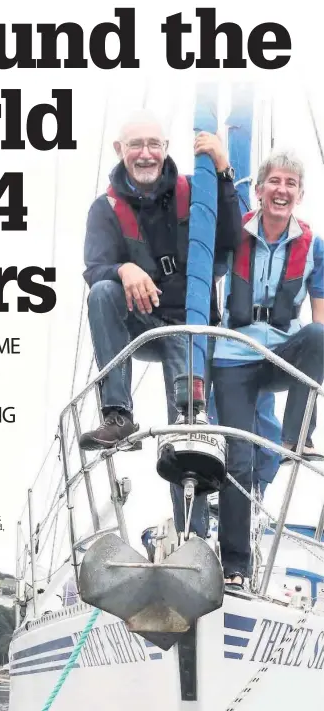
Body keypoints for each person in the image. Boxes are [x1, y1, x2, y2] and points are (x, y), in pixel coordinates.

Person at [78, 110, 242, 538]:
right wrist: (123, 270)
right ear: (120, 151)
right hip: (140, 320)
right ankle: (118, 414)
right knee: (103, 291)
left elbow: (231, 241)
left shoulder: (197, 190)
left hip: (188, 324)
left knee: (188, 431)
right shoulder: (106, 208)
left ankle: (194, 536)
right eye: (136, 145)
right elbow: (95, 268)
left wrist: (224, 172)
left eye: (154, 144)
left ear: (166, 148)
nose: (146, 153)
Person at [212, 150, 324, 589]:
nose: (282, 190)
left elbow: (318, 311)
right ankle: (235, 566)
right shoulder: (232, 233)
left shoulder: (313, 245)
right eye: (274, 181)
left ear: (299, 194)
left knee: (318, 336)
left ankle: (297, 434)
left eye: (290, 184)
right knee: (238, 462)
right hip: (233, 357)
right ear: (258, 191)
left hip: (280, 354)